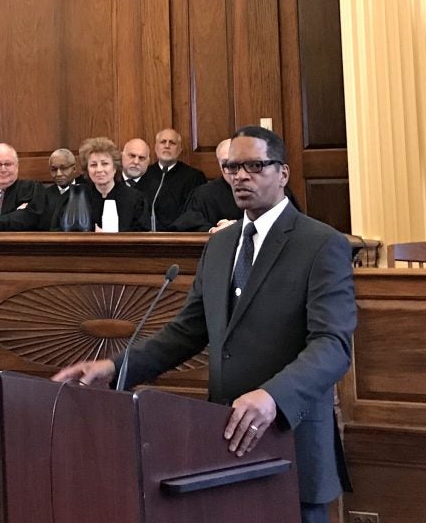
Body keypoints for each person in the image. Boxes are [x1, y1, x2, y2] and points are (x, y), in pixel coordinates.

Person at [53, 126, 355, 523]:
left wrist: (272, 397)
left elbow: (332, 345)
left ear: (282, 173)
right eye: (232, 167)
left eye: (254, 166)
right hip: (224, 437)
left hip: (290, 438)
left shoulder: (320, 243)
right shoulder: (220, 245)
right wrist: (113, 368)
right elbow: (186, 333)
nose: (240, 176)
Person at [51, 138, 149, 232]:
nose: (99, 170)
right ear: (87, 169)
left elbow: (142, 237)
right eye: (93, 165)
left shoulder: (135, 199)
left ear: (115, 167)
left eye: (105, 164)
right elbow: (58, 231)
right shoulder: (75, 197)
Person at [141, 128, 206, 231]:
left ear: (179, 149)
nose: (167, 146)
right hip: (148, 239)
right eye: (163, 142)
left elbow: (193, 213)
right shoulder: (144, 175)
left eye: (172, 143)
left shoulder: (194, 177)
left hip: (180, 238)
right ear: (155, 148)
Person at [169, 138, 241, 232]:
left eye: (237, 162)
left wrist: (236, 227)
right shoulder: (203, 194)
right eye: (226, 163)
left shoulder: (262, 191)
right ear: (219, 165)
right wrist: (213, 230)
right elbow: (186, 224)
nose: (233, 169)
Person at [43, 148, 83, 229]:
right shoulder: (44, 196)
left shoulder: (84, 192)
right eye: (54, 169)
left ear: (74, 168)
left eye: (63, 168)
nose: (58, 174)